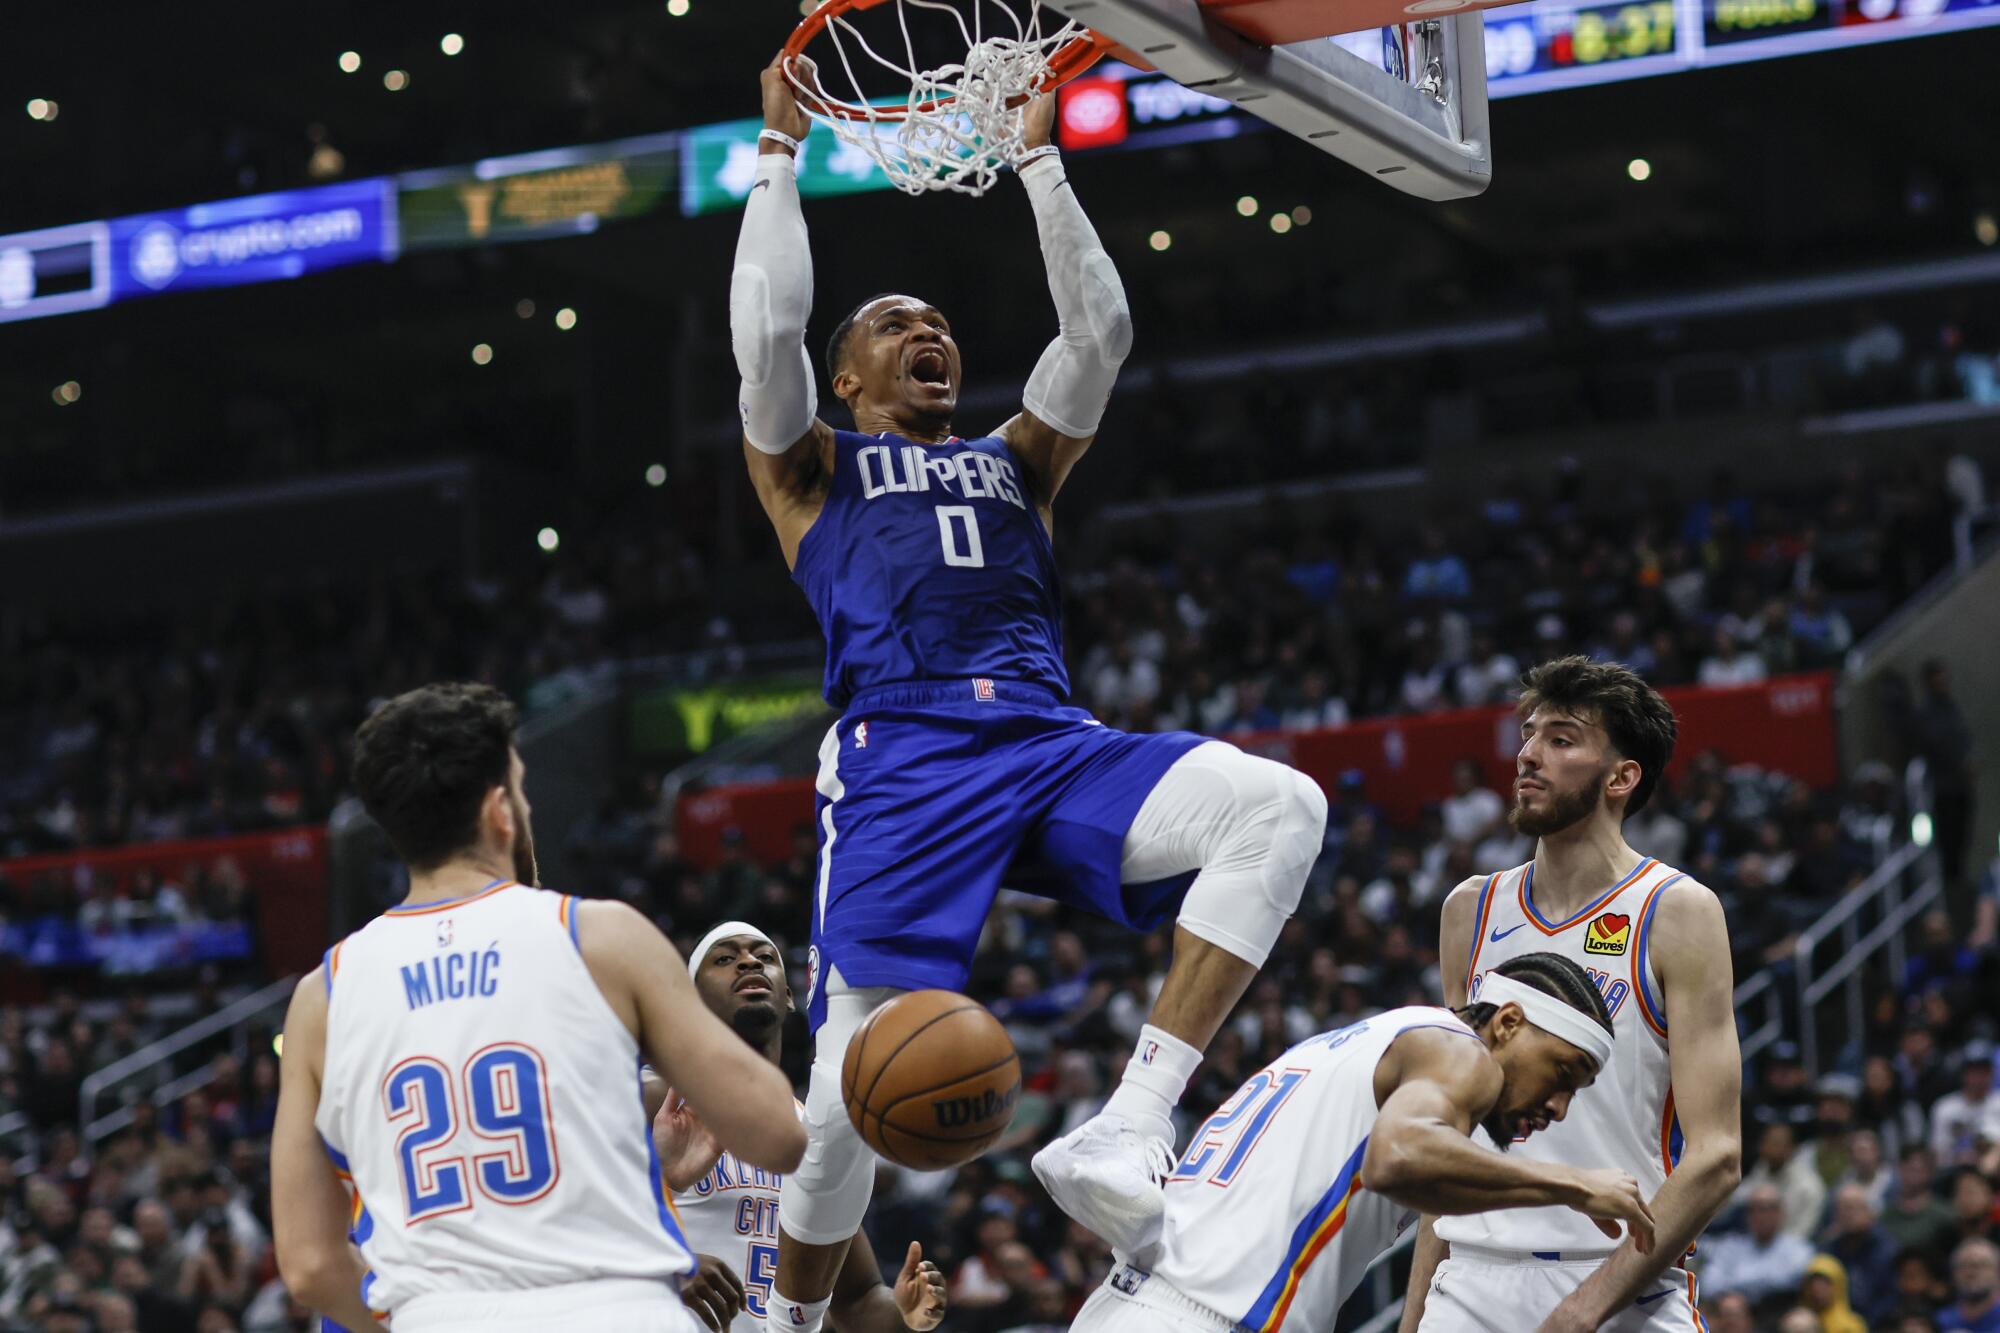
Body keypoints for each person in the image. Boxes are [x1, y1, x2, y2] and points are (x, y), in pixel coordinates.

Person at [729, 52, 1327, 1333]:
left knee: (1275, 805)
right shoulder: (809, 466)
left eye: (938, 320)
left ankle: (1124, 1129)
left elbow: (1098, 333)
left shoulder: (1019, 459)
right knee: (844, 1078)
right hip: (907, 752)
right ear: (846, 377)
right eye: (894, 323)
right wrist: (778, 154)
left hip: (1050, 741)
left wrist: (1039, 159)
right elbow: (766, 329)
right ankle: (788, 1324)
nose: (927, 332)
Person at [271, 684, 805, 1331]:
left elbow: (308, 1265)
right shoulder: (604, 937)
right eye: (522, 790)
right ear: (501, 810)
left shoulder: (322, 993)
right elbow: (777, 1133)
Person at [1404, 657, 1744, 1333]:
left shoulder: (1677, 910)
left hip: (1623, 1280)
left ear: (1621, 776)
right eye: (1529, 734)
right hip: (1471, 1280)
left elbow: (1717, 1155)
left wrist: (1580, 1312)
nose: (1528, 755)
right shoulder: (1469, 910)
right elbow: (1450, 1127)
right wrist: (1413, 1317)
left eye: (1561, 739)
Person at [1070, 954, 1656, 1332]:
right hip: (1211, 1319)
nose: (1559, 1107)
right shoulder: (1461, 1054)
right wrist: (1574, 1185)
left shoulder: (1370, 1040)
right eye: (1562, 1073)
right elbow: (1398, 1157)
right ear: (1506, 1023)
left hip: (1127, 1304)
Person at [651, 922, 947, 1333]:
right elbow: (561, 1218)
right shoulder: (655, 1098)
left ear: (789, 997)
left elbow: (858, 1299)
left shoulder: (813, 1132)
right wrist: (662, 1257)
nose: (749, 961)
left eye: (764, 956)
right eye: (725, 958)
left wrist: (907, 1311)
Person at [1698, 1183, 1816, 1306]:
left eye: (1767, 1209)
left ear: (1781, 1213)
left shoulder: (1798, 1249)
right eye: (1754, 1209)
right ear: (1747, 1216)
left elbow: (1795, 1280)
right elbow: (1709, 1284)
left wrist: (1739, 1286)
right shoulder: (1730, 1247)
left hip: (1778, 1311)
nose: (1761, 1216)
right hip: (1736, 1311)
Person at [1940, 1237, 2000, 1332]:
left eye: (1980, 1265)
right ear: (1953, 1274)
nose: (1971, 1273)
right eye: (1963, 1266)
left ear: (1997, 1272)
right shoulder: (1940, 1321)